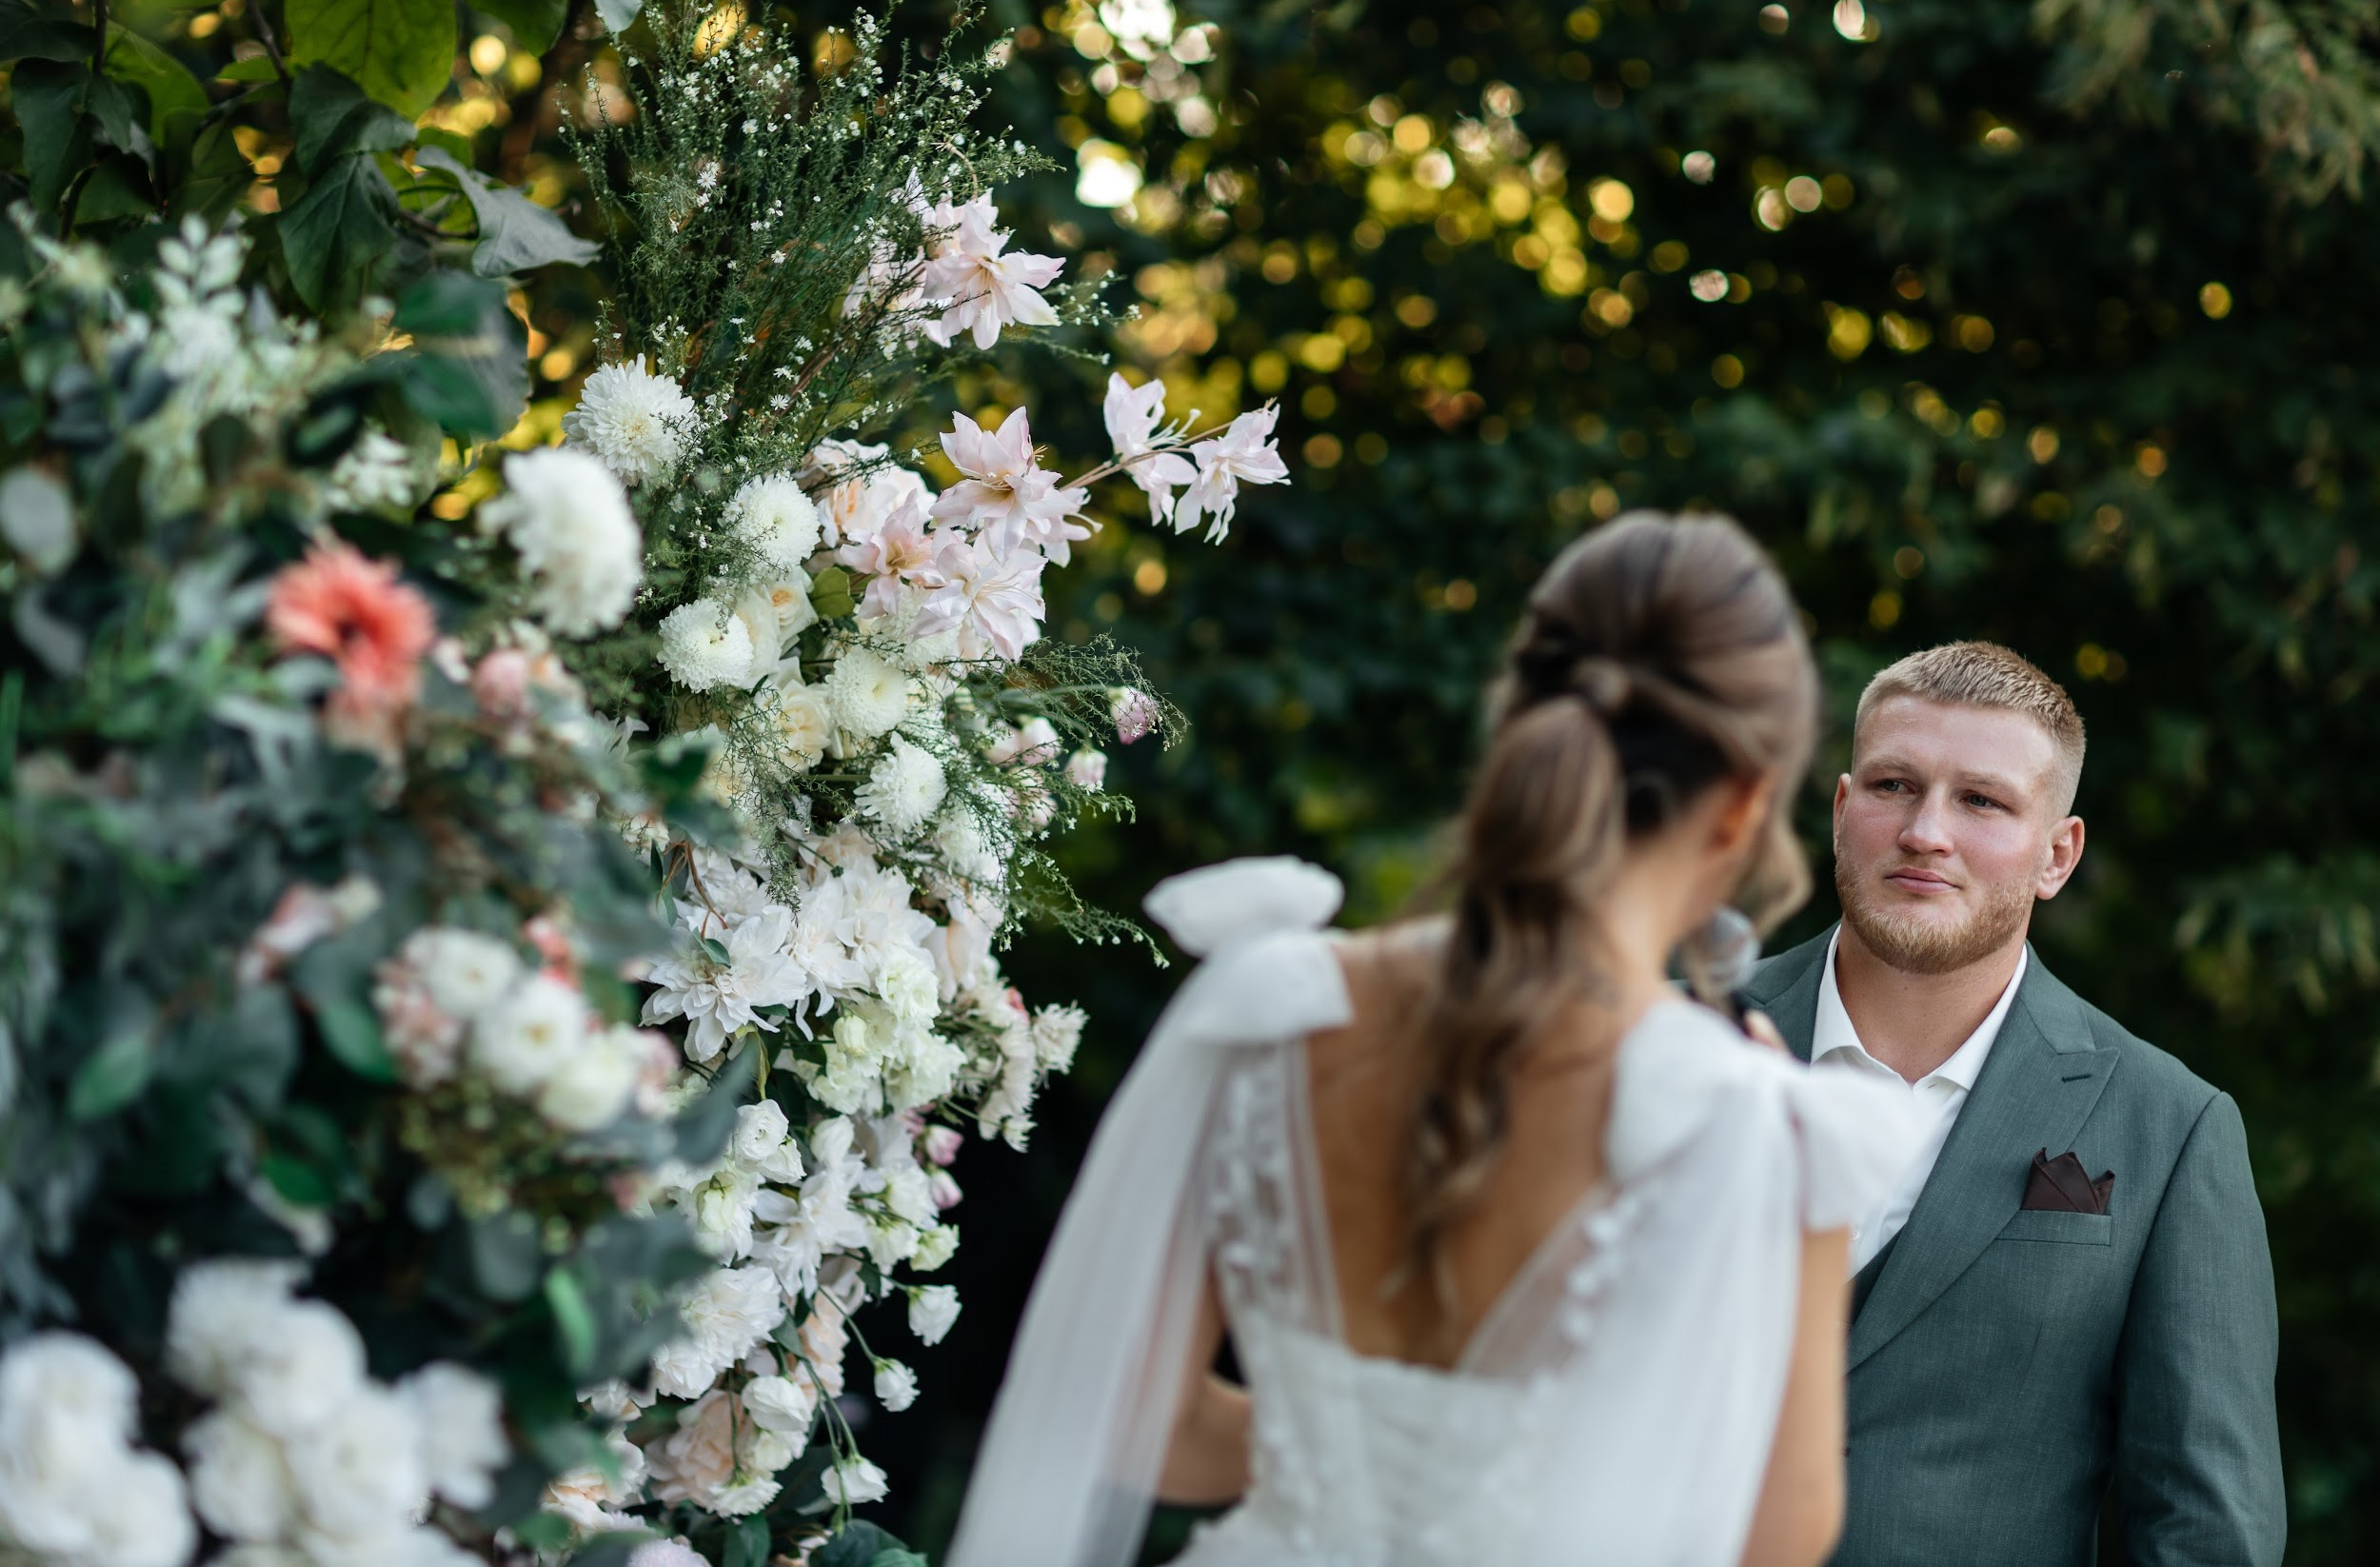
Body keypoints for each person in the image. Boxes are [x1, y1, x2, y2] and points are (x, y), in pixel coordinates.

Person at [947, 512, 1929, 1567]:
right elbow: (1771, 1537)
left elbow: (1138, 1410)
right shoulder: (1759, 1126)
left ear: (1517, 722)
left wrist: (1333, 1459)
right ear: (1740, 806)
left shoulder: (1277, 1004)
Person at [1736, 643, 2285, 1567]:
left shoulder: (2169, 1127)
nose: (1924, 830)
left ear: (2056, 854)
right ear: (1840, 811)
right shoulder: (1669, 1047)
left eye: (1980, 800)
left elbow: (2206, 1530)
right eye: (1892, 785)